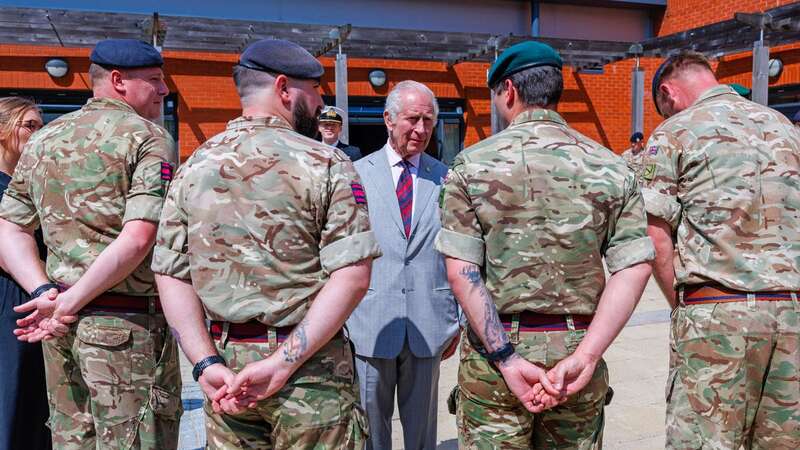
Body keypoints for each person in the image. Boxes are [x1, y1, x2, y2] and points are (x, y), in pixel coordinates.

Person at [151, 38, 381, 448]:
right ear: (283, 89)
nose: (319, 104)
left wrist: (205, 363)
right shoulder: (326, 164)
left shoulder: (195, 165)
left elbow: (170, 272)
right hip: (311, 373)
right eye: (315, 92)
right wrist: (281, 363)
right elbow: (353, 276)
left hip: (226, 369)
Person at [435, 40, 654, 448]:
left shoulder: (472, 165)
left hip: (496, 353)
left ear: (509, 91)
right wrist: (587, 356)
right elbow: (634, 267)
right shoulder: (611, 167)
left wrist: (508, 358)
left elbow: (461, 272)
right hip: (577, 348)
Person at [0, 39, 182, 449]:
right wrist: (63, 301)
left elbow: (9, 229)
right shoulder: (148, 138)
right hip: (127, 327)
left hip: (59, 326)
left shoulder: (45, 139)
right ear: (118, 81)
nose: (164, 90)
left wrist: (46, 293)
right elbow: (138, 238)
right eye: (154, 80)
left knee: (71, 441)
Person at [645, 51, 800, 449]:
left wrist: (679, 301)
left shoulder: (676, 131)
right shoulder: (784, 127)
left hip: (716, 312)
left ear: (668, 92)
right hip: (792, 313)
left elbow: (654, 232)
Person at [346, 80, 460, 450]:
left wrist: (457, 317)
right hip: (369, 322)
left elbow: (460, 251)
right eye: (413, 119)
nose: (422, 130)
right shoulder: (355, 175)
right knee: (369, 433)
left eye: (429, 121)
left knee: (422, 434)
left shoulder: (446, 178)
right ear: (388, 119)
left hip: (430, 323)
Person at [0, 96, 50, 450]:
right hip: (12, 299)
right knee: (11, 397)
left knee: (33, 403)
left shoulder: (25, 185)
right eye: (29, 125)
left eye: (40, 126)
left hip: (32, 298)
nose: (38, 133)